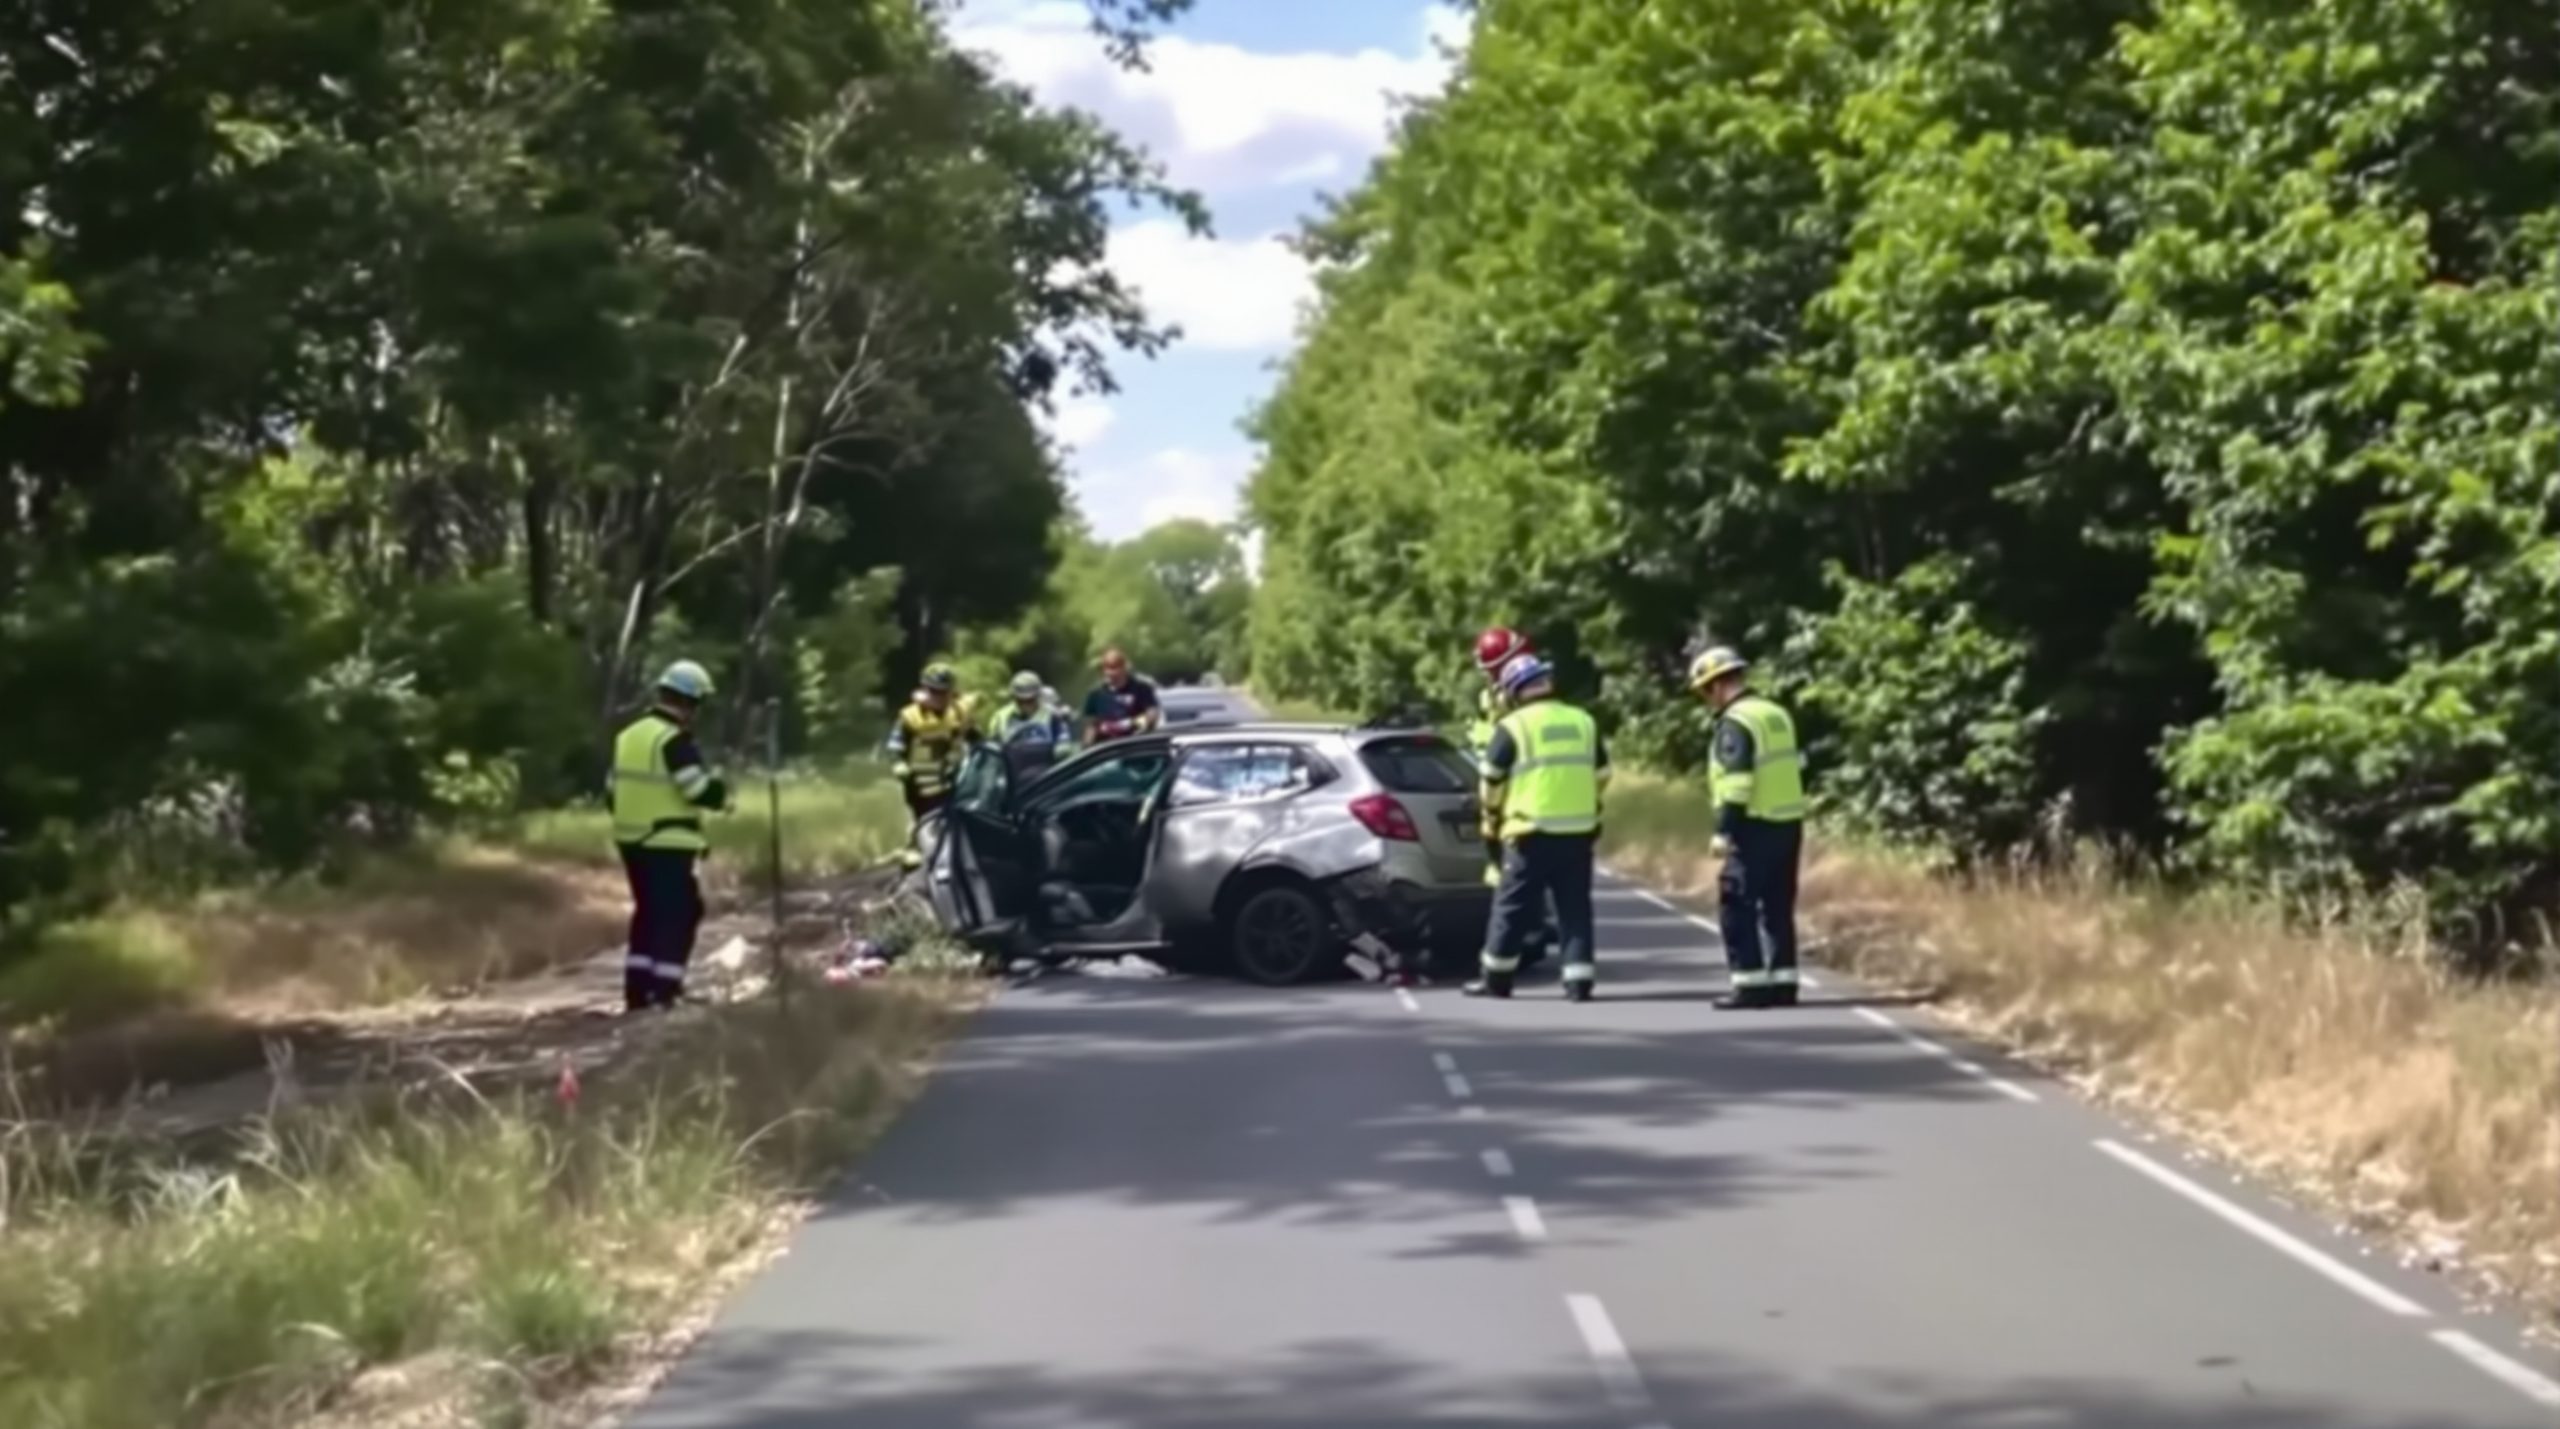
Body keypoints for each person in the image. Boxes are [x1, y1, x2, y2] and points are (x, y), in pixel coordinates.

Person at [1467, 653, 1609, 1002]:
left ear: (1513, 692)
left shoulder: (1513, 727)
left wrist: (1492, 817)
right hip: (1578, 833)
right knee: (1574, 908)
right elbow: (1603, 774)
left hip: (1528, 832)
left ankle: (1497, 979)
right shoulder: (1584, 722)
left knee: (1511, 908)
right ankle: (1579, 982)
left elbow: (1491, 780)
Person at [1687, 645, 1806, 1010]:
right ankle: (1784, 983)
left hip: (1754, 824)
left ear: (1716, 685)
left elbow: (1738, 782)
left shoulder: (1736, 722)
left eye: (1704, 692)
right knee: (1777, 906)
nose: (1706, 700)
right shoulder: (1775, 713)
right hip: (1788, 822)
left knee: (1735, 903)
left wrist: (1724, 830)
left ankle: (1749, 984)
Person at [610, 659, 732, 1012]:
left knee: (648, 913)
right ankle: (665, 991)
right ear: (690, 702)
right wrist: (720, 793)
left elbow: (611, 791)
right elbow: (695, 789)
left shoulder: (628, 737)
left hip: (631, 842)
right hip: (667, 840)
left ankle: (637, 992)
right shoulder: (673, 741)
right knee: (680, 914)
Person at [889, 662, 978, 868]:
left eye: (943, 692)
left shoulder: (960, 712)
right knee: (922, 817)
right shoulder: (910, 717)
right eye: (934, 692)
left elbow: (976, 737)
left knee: (960, 815)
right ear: (925, 690)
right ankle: (914, 848)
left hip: (954, 776)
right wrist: (898, 763)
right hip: (920, 780)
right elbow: (895, 744)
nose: (939, 697)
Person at [987, 669, 1077, 782]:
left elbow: (1064, 745)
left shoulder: (1053, 716)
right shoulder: (1001, 717)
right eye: (1021, 700)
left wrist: (1059, 750)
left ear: (1038, 696)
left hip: (1046, 774)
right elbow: (992, 751)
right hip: (1012, 775)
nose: (1025, 704)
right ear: (1014, 697)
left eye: (1030, 700)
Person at [1081, 647, 1162, 745]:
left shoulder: (1141, 688)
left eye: (1116, 668)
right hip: (1107, 747)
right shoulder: (1095, 694)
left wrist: (1130, 723)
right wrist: (1088, 745)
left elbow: (1152, 716)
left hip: (1137, 744)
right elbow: (1090, 726)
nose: (1112, 673)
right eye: (1108, 669)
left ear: (1125, 667)